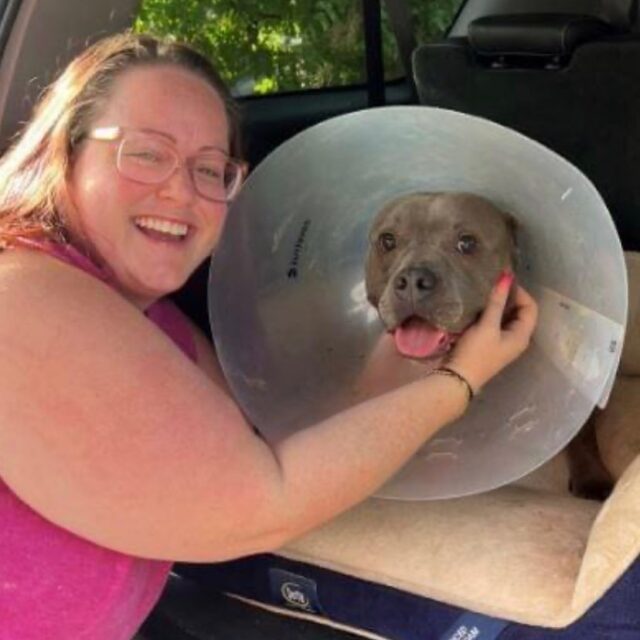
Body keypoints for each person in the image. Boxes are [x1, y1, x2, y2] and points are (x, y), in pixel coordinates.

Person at [0, 32, 537, 640]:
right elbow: (260, 503)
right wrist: (460, 381)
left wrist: (419, 340)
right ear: (65, 153)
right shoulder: (23, 296)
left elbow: (283, 436)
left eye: (209, 168)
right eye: (146, 153)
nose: (180, 190)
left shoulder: (156, 326)